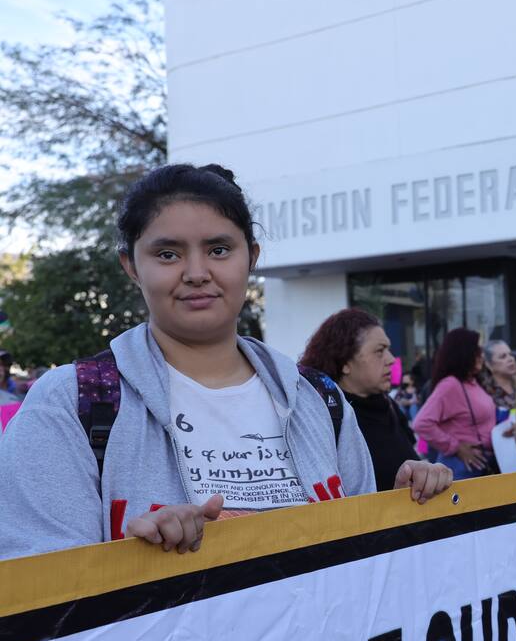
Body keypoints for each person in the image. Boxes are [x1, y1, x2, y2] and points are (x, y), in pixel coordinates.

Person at [0, 164, 450, 561]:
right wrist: (133, 561)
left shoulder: (320, 398)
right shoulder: (70, 403)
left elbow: (362, 565)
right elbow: (42, 602)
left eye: (219, 250)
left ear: (251, 258)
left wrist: (398, 509)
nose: (197, 273)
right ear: (131, 266)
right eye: (167, 254)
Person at [300, 309, 451, 495]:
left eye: (388, 349)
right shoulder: (327, 419)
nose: (391, 360)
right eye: (379, 351)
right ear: (345, 362)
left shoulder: (388, 406)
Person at [413, 328, 498, 479]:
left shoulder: (472, 382)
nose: (481, 355)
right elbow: (421, 423)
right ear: (463, 352)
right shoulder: (451, 385)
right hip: (463, 467)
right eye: (477, 350)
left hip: (482, 463)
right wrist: (456, 447)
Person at [479, 339, 516, 422]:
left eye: (511, 355)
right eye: (503, 357)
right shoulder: (484, 392)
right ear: (489, 364)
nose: (511, 359)